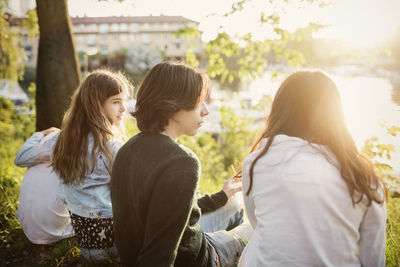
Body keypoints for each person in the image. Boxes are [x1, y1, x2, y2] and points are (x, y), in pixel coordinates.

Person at [238, 70, 387, 267]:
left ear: (280, 111)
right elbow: (374, 259)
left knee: (256, 236)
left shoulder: (257, 161)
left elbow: (257, 222)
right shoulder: (363, 176)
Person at [111, 61, 252, 267]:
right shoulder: (182, 162)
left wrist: (221, 195)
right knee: (257, 230)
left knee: (233, 205)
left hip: (142, 254)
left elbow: (168, 212)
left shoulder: (127, 149)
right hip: (198, 259)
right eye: (198, 102)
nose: (205, 111)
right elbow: (159, 255)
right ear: (174, 105)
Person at [14, 69, 132, 262]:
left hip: (88, 244)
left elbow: (20, 158)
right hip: (117, 239)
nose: (123, 109)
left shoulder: (61, 141)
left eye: (123, 101)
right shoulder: (114, 147)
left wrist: (40, 134)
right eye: (116, 102)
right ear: (96, 106)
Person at [14, 128, 73, 244]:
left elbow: (19, 159)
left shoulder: (49, 141)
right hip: (54, 231)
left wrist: (40, 134)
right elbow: (19, 159)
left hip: (30, 231)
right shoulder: (63, 141)